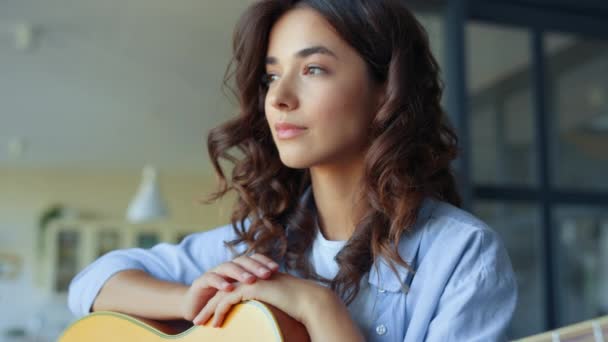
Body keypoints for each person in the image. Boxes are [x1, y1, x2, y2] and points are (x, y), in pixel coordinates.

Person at [68, 0, 518, 341]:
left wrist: (318, 307)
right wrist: (187, 299)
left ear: (387, 92)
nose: (279, 97)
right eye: (270, 76)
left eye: (314, 69)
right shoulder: (254, 242)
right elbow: (91, 284)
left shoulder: (462, 256)